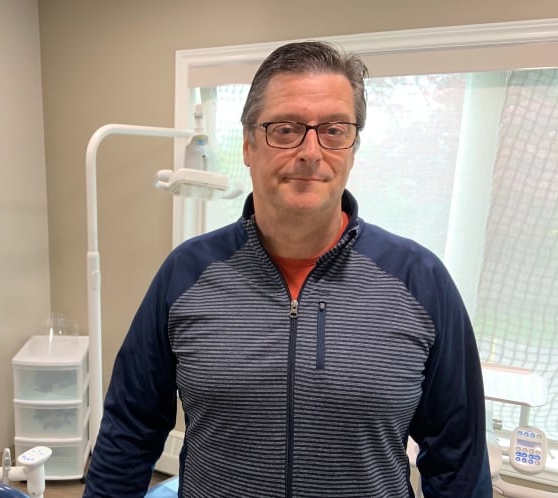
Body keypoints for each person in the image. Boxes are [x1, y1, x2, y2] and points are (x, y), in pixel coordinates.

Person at [83, 41, 492, 497]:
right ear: (248, 145)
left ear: (353, 147)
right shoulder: (186, 274)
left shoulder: (420, 281)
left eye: (334, 130)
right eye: (285, 129)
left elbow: (459, 456)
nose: (311, 151)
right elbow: (129, 431)